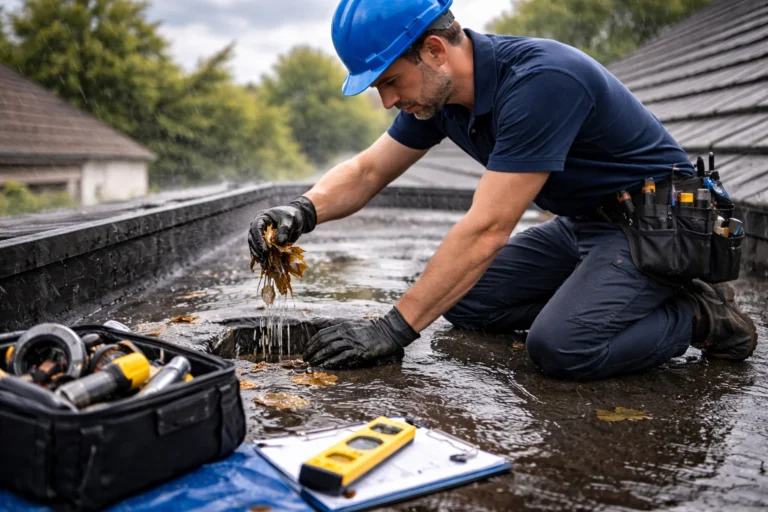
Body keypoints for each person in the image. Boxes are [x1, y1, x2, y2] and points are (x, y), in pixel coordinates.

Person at [248, 0, 757, 380]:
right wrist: (301, 210)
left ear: (434, 50)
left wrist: (392, 329)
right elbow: (367, 171)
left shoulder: (540, 82)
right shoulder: (438, 99)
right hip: (587, 224)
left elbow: (488, 228)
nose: (386, 100)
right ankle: (608, 300)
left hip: (657, 229)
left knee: (561, 348)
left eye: (389, 81)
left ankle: (699, 314)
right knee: (466, 301)